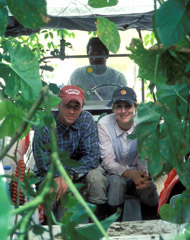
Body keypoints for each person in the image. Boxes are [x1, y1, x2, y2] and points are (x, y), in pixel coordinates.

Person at [32, 85, 108, 221]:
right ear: (58, 105)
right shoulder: (44, 126)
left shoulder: (86, 119)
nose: (72, 111)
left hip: (78, 171)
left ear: (82, 108)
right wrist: (60, 179)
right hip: (51, 174)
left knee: (96, 177)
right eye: (68, 106)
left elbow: (92, 156)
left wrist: (70, 175)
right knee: (48, 191)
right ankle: (51, 228)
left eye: (76, 107)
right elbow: (44, 165)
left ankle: (99, 222)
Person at [97, 86, 159, 220]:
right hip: (113, 174)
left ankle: (151, 227)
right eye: (119, 106)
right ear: (113, 108)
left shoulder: (144, 124)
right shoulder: (104, 124)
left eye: (128, 106)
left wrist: (143, 174)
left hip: (138, 171)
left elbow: (144, 156)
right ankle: (114, 227)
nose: (123, 111)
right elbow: (108, 162)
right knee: (116, 184)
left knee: (149, 186)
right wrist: (130, 174)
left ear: (135, 107)